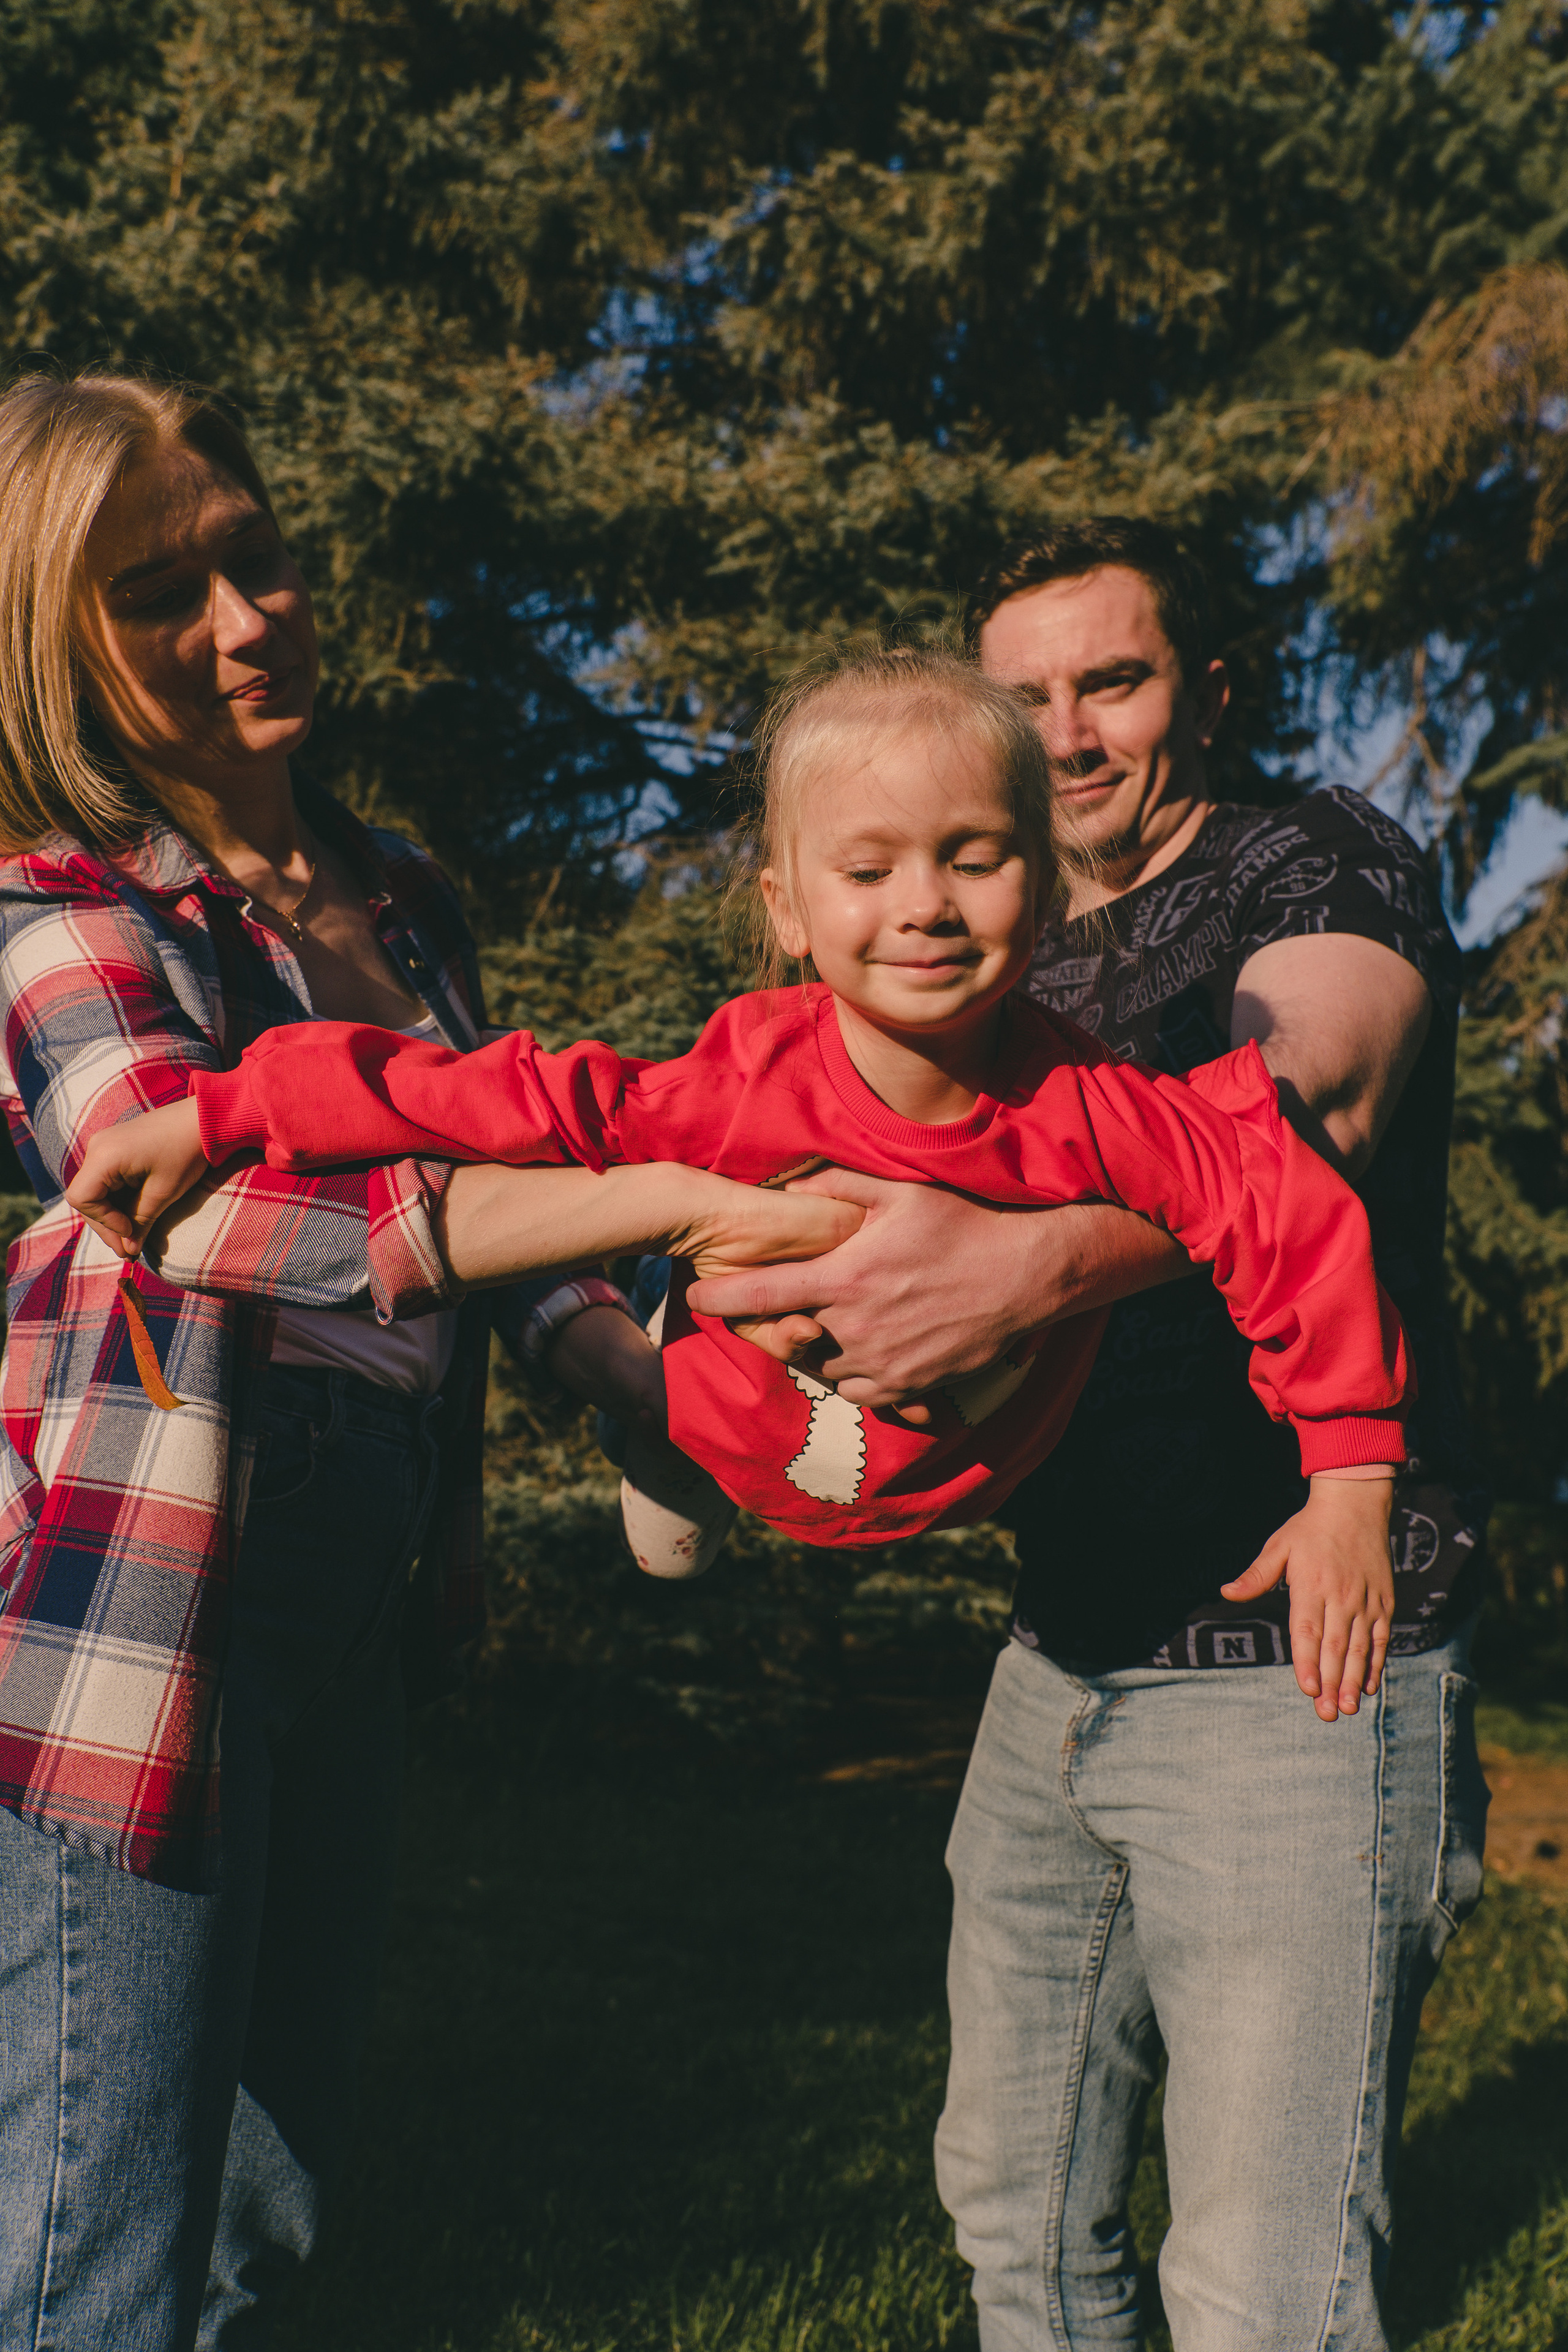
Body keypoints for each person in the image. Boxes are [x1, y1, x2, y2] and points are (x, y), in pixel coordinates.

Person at [0, 368, 844, 2352]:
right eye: (157, 595)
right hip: (144, 1594)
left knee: (265, 2219)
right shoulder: (53, 906)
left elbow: (489, 1208)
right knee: (91, 2243)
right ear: (54, 645)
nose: (242, 617)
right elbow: (205, 1216)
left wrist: (634, 1379)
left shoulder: (400, 899)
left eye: (255, 556)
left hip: (349, 1597)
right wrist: (661, 1194)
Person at [683, 524, 1492, 2348]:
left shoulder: (1310, 866)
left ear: (1203, 690)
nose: (1068, 733)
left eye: (1109, 682)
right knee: (1015, 2204)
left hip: (1297, 1648)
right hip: (1066, 1645)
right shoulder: (1008, 950)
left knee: (1263, 2278)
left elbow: (1327, 1091)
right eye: (1024, 699)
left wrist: (1028, 1272)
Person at [77, 644, 1411, 1719]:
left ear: (1048, 890)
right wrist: (227, 1106)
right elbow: (491, 1092)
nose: (925, 905)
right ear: (786, 908)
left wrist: (1348, 1482)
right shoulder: (747, 1080)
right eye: (869, 867)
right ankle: (664, 1424)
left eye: (975, 856)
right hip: (735, 1417)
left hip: (964, 1473)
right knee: (688, 1306)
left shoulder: (1085, 1105)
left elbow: (1283, 1201)